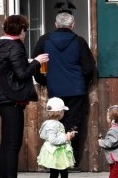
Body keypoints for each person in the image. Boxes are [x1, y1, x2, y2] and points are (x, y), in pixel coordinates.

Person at [0, 14, 48, 178]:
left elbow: (10, 69)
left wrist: (29, 62)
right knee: (13, 144)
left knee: (6, 144)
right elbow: (22, 75)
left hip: (1, 97)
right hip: (11, 98)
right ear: (21, 30)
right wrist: (37, 62)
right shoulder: (14, 46)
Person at [33, 11, 96, 168]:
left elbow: (35, 65)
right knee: (73, 125)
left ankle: (54, 163)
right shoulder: (79, 42)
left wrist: (44, 81)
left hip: (54, 90)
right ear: (72, 25)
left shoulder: (44, 40)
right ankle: (70, 163)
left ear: (56, 25)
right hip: (76, 90)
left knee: (54, 125)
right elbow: (89, 68)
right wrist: (82, 82)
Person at [37, 97, 76, 178]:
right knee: (62, 171)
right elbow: (53, 140)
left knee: (55, 172)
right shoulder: (54, 125)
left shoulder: (48, 123)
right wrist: (66, 137)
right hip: (57, 153)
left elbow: (43, 135)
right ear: (60, 112)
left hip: (55, 152)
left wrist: (65, 135)